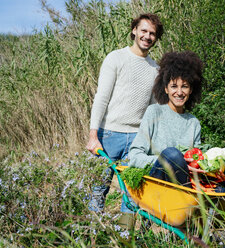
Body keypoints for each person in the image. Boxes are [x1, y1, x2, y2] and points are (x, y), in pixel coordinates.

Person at [129, 51, 225, 192]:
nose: (179, 92)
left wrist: (217, 166)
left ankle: (216, 195)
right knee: (172, 155)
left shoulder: (193, 123)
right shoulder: (154, 112)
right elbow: (134, 157)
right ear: (166, 89)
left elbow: (198, 160)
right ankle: (203, 199)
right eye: (174, 86)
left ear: (191, 90)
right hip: (160, 180)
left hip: (189, 181)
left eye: (185, 86)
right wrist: (168, 161)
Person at [86, 13, 164, 213]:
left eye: (152, 33)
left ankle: (124, 238)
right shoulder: (116, 58)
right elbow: (101, 97)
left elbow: (154, 110)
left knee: (132, 195)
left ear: (156, 37)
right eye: (143, 31)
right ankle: (93, 238)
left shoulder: (156, 70)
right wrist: (93, 135)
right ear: (134, 31)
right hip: (108, 135)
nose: (147, 36)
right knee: (98, 189)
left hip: (137, 139)